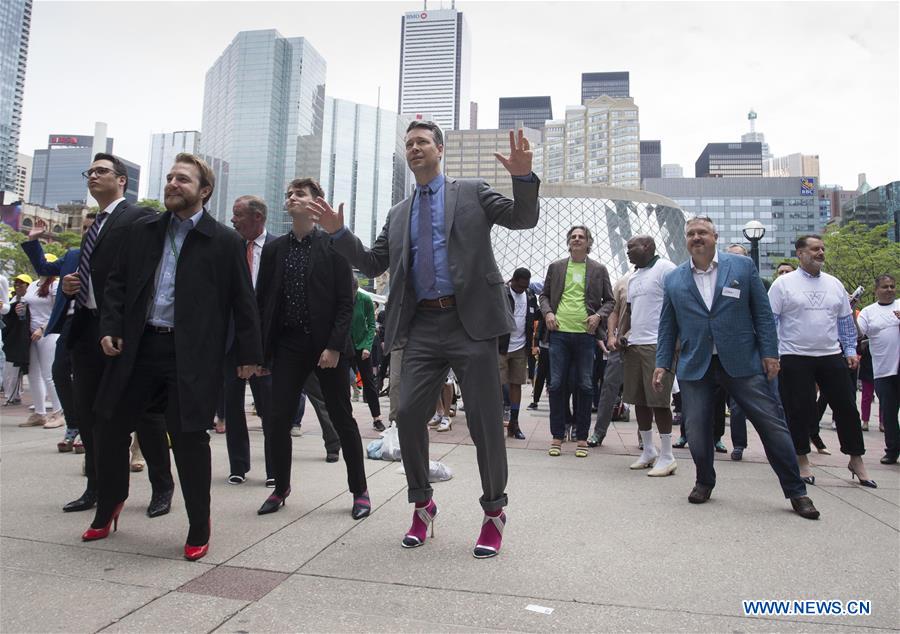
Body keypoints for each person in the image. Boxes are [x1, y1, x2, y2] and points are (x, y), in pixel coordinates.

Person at [312, 122, 539, 558]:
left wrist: (523, 178)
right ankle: (422, 503)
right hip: (419, 327)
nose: (414, 148)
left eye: (422, 142)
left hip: (469, 322)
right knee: (410, 417)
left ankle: (494, 513)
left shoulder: (471, 191)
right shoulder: (399, 213)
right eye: (408, 143)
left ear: (440, 149)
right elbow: (375, 260)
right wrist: (339, 234)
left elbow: (522, 218)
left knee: (485, 425)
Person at [89, 153, 262, 562]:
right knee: (109, 426)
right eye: (169, 178)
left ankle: (199, 524)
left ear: (204, 191)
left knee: (188, 440)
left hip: (190, 355)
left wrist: (249, 355)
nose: (172, 184)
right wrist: (110, 326)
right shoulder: (143, 229)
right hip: (138, 347)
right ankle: (110, 503)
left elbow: (243, 301)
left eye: (182, 180)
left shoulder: (224, 241)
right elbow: (115, 284)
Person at [654, 216, 819, 519]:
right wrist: (662, 363)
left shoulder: (741, 267)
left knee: (771, 424)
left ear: (715, 236)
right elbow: (667, 325)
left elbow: (763, 314)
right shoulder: (675, 278)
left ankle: (797, 491)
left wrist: (769, 352)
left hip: (742, 360)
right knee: (696, 429)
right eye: (691, 233)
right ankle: (704, 481)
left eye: (702, 232)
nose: (696, 237)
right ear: (685, 240)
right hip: (696, 364)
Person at [59, 153, 173, 516]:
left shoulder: (137, 216)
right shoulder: (94, 226)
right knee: (90, 414)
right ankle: (96, 487)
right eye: (90, 171)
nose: (93, 176)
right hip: (86, 328)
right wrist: (70, 285)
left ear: (121, 180)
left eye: (102, 171)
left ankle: (162, 487)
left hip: (124, 333)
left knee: (144, 415)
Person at [256, 177, 369, 519]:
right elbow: (264, 302)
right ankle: (281, 487)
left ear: (317, 203)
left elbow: (345, 301)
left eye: (299, 194)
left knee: (342, 418)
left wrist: (334, 347)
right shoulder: (275, 249)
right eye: (288, 193)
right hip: (288, 345)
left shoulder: (333, 245)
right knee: (277, 419)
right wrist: (262, 354)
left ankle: (359, 490)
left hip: (326, 348)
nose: (291, 197)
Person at [768, 234, 875, 488]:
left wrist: (850, 350)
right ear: (800, 254)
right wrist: (772, 355)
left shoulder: (834, 284)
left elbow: (844, 322)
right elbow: (769, 323)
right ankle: (802, 460)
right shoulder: (783, 285)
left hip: (830, 355)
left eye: (822, 249)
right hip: (794, 356)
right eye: (815, 249)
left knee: (847, 408)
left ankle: (856, 458)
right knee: (799, 410)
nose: (820, 253)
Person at [539, 226, 614, 458]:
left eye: (581, 237)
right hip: (559, 333)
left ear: (588, 242)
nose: (577, 239)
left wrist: (598, 316)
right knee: (556, 385)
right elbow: (543, 296)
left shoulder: (599, 269)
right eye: (573, 237)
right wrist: (548, 313)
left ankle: (582, 437)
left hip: (585, 335)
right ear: (568, 242)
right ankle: (557, 436)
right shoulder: (557, 267)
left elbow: (610, 301)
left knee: (585, 385)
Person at [612, 236, 678, 475]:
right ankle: (649, 450)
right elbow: (628, 309)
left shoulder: (666, 269)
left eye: (631, 247)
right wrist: (622, 333)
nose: (627, 251)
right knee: (638, 399)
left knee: (658, 401)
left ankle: (668, 455)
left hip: (657, 345)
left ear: (648, 247)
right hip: (634, 344)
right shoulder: (634, 277)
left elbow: (678, 303)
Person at [223, 195, 277, 485]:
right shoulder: (229, 246)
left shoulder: (278, 247)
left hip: (266, 344)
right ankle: (238, 466)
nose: (233, 220)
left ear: (257, 217)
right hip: (232, 342)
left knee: (270, 409)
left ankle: (274, 470)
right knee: (232, 406)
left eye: (238, 214)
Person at [855, 274, 899, 464]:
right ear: (876, 290)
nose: (889, 290)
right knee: (888, 413)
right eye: (885, 287)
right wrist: (851, 313)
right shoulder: (868, 312)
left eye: (892, 286)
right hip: (883, 370)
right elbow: (858, 333)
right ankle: (892, 450)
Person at [589, 271, 630, 447]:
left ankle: (644, 436)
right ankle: (599, 432)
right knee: (608, 387)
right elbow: (614, 311)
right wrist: (612, 336)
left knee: (647, 392)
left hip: (646, 343)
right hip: (619, 345)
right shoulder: (623, 282)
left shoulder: (661, 276)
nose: (628, 252)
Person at [17, 272, 62, 427]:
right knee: (33, 373)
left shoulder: (55, 285)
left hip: (49, 333)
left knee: (49, 374)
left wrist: (43, 328)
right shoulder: (32, 285)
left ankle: (59, 412)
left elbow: (58, 310)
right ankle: (39, 412)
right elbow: (28, 307)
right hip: (31, 333)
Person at [499, 267, 539, 440]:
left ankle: (514, 424)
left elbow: (534, 317)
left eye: (525, 286)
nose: (522, 289)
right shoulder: (502, 293)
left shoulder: (530, 295)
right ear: (512, 280)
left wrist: (534, 344)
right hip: (500, 347)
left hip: (520, 347)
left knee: (516, 384)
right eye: (519, 286)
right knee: (498, 385)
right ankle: (495, 421)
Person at [349, 278, 385, 432]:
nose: (350, 296)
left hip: (362, 346)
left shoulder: (365, 300)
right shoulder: (341, 298)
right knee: (342, 382)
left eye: (352, 293)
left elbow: (371, 325)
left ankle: (376, 418)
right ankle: (346, 418)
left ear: (356, 289)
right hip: (346, 346)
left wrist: (367, 347)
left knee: (369, 382)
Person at [2, 275, 32, 405]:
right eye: (16, 283)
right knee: (10, 370)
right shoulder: (11, 302)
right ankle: (12, 395)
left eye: (22, 284)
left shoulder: (30, 302)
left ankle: (13, 396)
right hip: (11, 340)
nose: (18, 286)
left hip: (27, 339)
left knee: (21, 369)